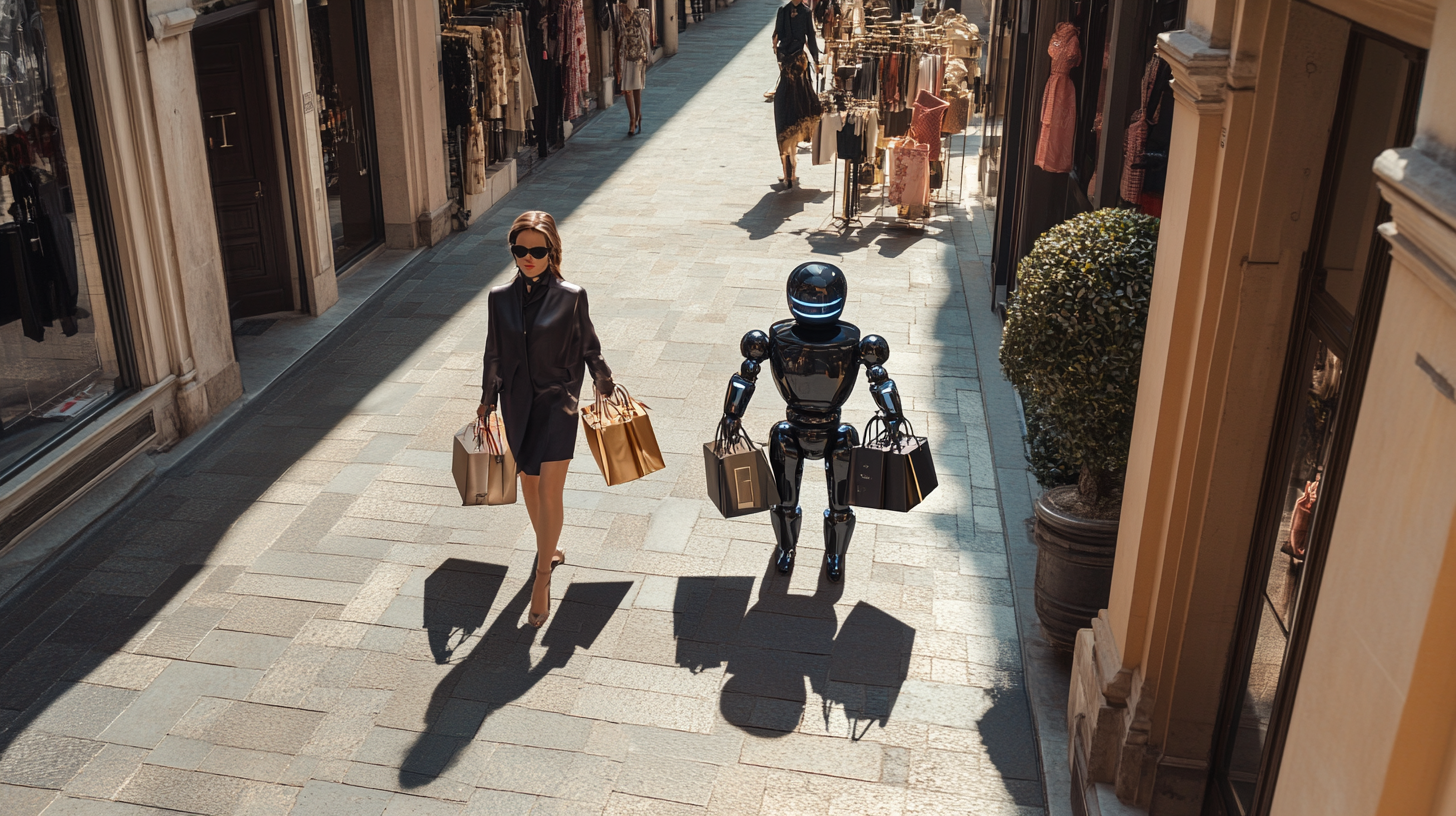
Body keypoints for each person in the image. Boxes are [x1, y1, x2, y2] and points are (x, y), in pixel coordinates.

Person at [479, 211, 615, 627]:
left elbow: (589, 344)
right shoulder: (499, 298)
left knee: (550, 490)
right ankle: (550, 546)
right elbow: (494, 352)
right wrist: (487, 399)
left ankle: (542, 577)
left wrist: (605, 380)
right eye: (520, 250)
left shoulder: (571, 295)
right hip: (517, 404)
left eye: (537, 251)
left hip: (559, 402)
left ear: (551, 250)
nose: (528, 258)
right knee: (530, 487)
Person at [772, 0, 823, 187]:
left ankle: (790, 168)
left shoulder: (805, 12)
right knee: (785, 110)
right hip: (788, 68)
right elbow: (776, 38)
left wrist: (816, 61)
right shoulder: (783, 12)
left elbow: (811, 38)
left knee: (798, 109)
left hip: (798, 68)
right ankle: (788, 167)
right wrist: (780, 56)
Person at [616, 0, 652, 136]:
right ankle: (632, 119)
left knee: (636, 88)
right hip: (624, 56)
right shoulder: (619, 14)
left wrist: (648, 54)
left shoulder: (640, 15)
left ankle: (637, 116)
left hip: (637, 56)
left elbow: (645, 35)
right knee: (627, 89)